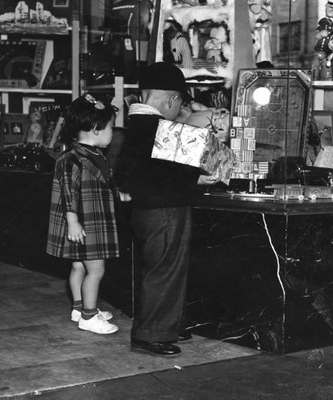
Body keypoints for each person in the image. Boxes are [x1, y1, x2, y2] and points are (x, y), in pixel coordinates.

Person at [116, 62, 217, 356]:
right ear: (172, 100)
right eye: (179, 104)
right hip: (166, 209)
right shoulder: (163, 128)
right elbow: (211, 166)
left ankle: (165, 326)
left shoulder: (135, 125)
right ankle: (151, 334)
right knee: (166, 269)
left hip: (146, 209)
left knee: (161, 267)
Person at [46, 93, 120, 335]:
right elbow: (69, 191)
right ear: (97, 129)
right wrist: (72, 220)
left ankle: (79, 308)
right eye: (111, 127)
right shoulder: (72, 158)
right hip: (84, 221)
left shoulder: (95, 155)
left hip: (90, 219)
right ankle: (88, 316)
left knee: (79, 266)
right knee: (96, 270)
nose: (113, 132)